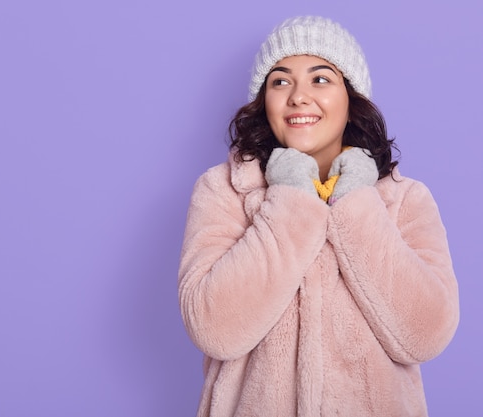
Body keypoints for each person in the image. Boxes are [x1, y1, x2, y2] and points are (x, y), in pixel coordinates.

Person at [178, 15, 459, 416]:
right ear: (264, 101)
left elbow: (427, 334)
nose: (298, 96)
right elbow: (213, 328)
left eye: (321, 79)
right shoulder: (223, 190)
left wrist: (357, 202)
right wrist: (291, 198)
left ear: (351, 98)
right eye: (280, 81)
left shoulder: (405, 199)